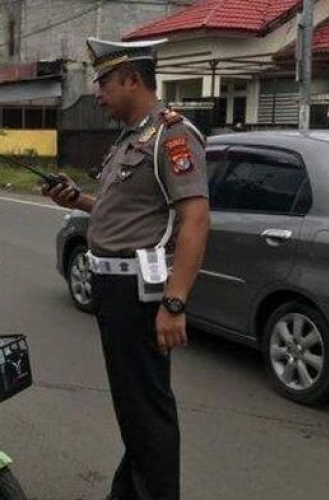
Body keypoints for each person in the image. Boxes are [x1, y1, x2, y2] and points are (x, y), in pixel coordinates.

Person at [42, 39, 210, 500]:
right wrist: (78, 200)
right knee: (132, 407)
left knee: (147, 410)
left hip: (141, 292)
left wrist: (174, 303)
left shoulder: (171, 136)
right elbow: (125, 213)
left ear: (132, 80)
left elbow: (195, 218)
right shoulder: (130, 139)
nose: (98, 93)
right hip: (113, 289)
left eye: (104, 83)